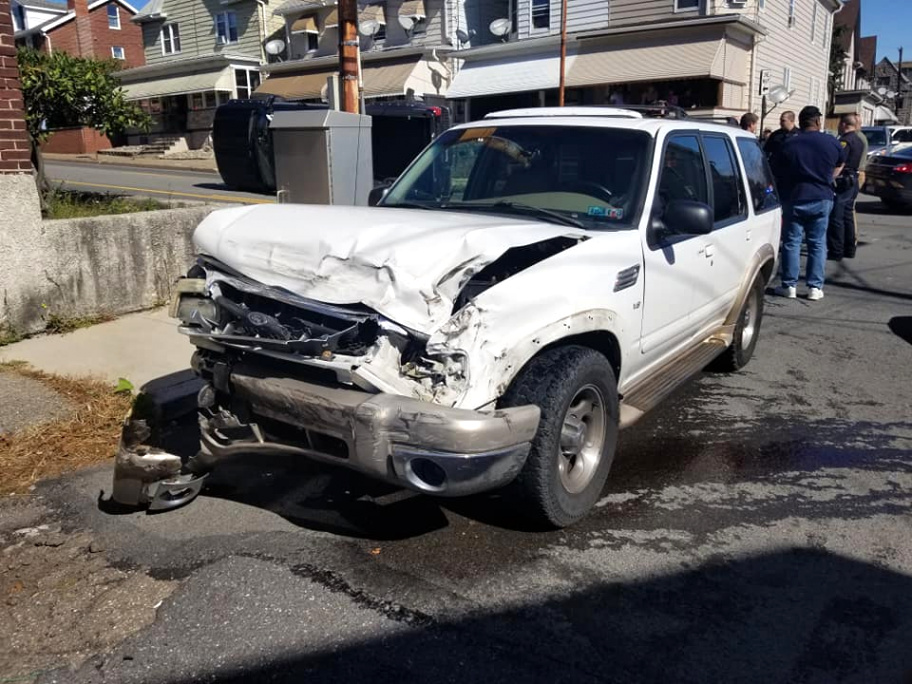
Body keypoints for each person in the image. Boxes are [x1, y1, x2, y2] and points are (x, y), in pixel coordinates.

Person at [775, 105, 847, 301]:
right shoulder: (831, 142)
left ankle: (789, 285)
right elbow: (841, 163)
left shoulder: (789, 144)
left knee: (791, 242)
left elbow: (777, 170)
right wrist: (829, 177)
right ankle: (815, 287)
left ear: (800, 122)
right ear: (817, 121)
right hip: (822, 195)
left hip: (795, 196)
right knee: (817, 243)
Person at [827, 113, 868, 260]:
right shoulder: (859, 140)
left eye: (839, 124)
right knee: (848, 215)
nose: (838, 126)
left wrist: (831, 177)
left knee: (836, 216)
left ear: (844, 124)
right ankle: (850, 249)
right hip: (853, 179)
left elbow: (840, 162)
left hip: (844, 181)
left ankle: (836, 251)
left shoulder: (845, 141)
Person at [764, 111, 798, 187]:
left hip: (792, 174)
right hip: (776, 174)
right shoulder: (775, 135)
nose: (780, 123)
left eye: (783, 120)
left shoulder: (799, 135)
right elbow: (766, 151)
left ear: (791, 120)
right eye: (780, 120)